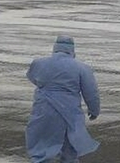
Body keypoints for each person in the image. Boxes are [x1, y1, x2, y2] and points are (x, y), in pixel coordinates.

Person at [25, 35, 100, 163]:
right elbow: (91, 92)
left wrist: (47, 88)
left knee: (41, 144)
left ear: (55, 48)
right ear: (72, 50)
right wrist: (94, 110)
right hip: (69, 112)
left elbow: (32, 77)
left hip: (43, 109)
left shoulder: (39, 63)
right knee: (69, 147)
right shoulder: (81, 68)